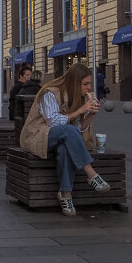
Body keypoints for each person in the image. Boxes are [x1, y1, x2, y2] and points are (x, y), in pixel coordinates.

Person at [19, 62, 111, 216]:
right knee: (68, 131)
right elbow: (53, 122)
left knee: (65, 148)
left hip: (61, 137)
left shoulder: (77, 97)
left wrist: (91, 114)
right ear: (75, 83)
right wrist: (81, 110)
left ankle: (66, 194)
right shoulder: (50, 92)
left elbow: (78, 129)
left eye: (89, 84)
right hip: (38, 136)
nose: (89, 88)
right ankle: (91, 174)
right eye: (85, 84)